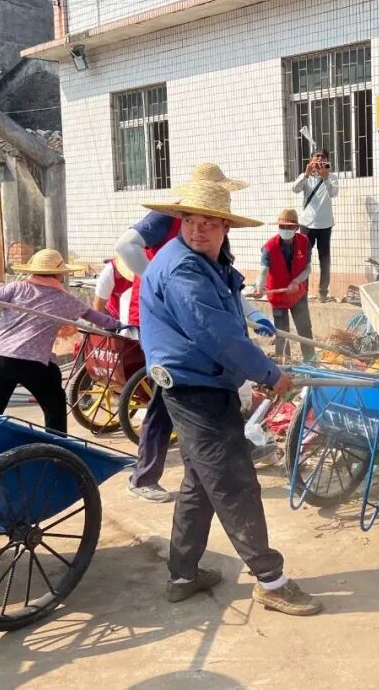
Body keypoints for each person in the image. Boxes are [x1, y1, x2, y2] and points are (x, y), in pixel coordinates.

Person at [139, 167, 322, 616]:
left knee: (200, 483)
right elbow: (216, 335)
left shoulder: (209, 262)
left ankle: (184, 574)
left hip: (204, 383)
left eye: (208, 222)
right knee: (235, 483)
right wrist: (268, 373)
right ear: (180, 222)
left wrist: (254, 338)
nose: (197, 230)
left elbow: (228, 318)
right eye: (190, 221)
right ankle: (271, 581)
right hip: (194, 390)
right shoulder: (183, 268)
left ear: (225, 226)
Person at [114, 164, 274, 504]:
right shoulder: (168, 219)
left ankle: (201, 468)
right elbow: (126, 246)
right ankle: (146, 476)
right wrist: (164, 285)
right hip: (168, 321)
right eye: (193, 220)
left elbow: (221, 287)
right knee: (170, 394)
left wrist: (252, 314)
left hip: (194, 319)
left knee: (189, 396)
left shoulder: (214, 234)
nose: (199, 227)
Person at [0, 249, 120, 434]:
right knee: (54, 403)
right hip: (30, 360)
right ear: (58, 274)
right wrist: (119, 325)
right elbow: (97, 317)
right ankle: (57, 442)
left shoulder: (16, 287)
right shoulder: (65, 299)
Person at [253, 208, 313, 361]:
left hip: (297, 293)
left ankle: (311, 360)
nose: (285, 230)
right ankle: (284, 362)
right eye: (282, 226)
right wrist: (259, 287)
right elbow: (263, 270)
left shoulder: (304, 242)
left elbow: (308, 269)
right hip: (278, 295)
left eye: (289, 227)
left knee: (304, 328)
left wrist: (296, 281)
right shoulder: (269, 247)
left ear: (296, 228)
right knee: (281, 332)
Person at [290, 149, 338, 302]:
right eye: (317, 156)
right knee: (303, 259)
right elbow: (295, 189)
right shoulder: (306, 177)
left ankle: (323, 293)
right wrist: (306, 175)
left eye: (323, 157)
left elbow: (333, 193)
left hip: (325, 224)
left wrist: (325, 178)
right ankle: (302, 292)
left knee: (325, 260)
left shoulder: (332, 177)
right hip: (307, 224)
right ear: (311, 160)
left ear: (327, 160)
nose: (319, 159)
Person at [92, 254, 134, 325]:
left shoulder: (147, 271)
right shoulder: (109, 271)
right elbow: (98, 306)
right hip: (113, 317)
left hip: (137, 319)